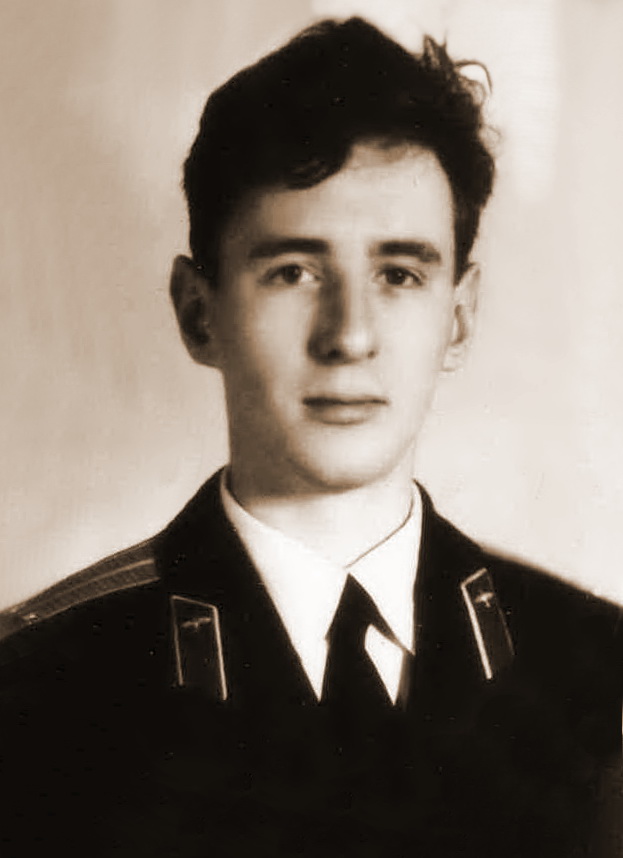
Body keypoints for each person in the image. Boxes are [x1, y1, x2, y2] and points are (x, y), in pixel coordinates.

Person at [0, 16, 621, 858]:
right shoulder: (40, 690)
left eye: (398, 274)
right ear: (197, 312)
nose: (349, 335)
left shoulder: (597, 677)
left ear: (459, 318)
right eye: (293, 271)